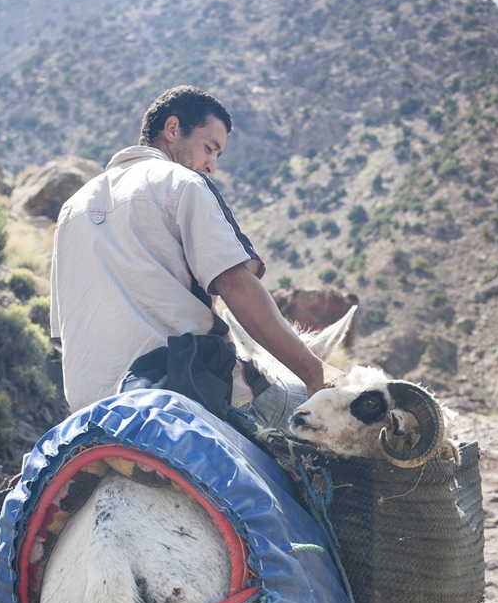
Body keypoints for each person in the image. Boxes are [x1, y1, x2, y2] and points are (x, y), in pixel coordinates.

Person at [50, 86, 343, 428]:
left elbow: (64, 333)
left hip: (90, 413)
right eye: (209, 148)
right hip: (183, 387)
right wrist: (314, 370)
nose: (212, 166)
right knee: (344, 422)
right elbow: (234, 284)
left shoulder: (71, 210)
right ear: (172, 129)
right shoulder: (181, 182)